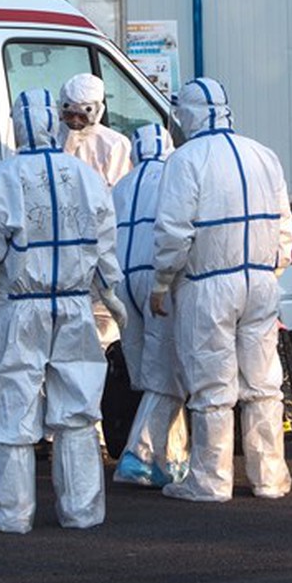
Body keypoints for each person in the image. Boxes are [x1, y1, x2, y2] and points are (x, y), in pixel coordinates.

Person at [0, 88, 126, 534]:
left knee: (13, 406)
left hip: (22, 309)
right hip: (75, 305)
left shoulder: (3, 179)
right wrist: (113, 297)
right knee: (78, 409)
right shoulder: (85, 176)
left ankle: (13, 512)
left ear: (19, 125)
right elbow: (104, 244)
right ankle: (82, 510)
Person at [150, 77, 292, 503]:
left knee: (211, 385)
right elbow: (284, 225)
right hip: (261, 282)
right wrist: (272, 270)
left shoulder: (185, 160)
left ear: (189, 113)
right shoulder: (263, 154)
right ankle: (269, 477)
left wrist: (161, 281)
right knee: (263, 383)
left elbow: (173, 231)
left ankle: (211, 480)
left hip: (208, 285)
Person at [111, 123, 189, 488]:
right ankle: (139, 455)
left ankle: (171, 457)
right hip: (158, 279)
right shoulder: (174, 178)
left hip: (122, 282)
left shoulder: (121, 186)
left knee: (150, 373)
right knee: (168, 372)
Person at [58, 73, 133, 351]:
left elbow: (117, 202)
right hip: (59, 251)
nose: (76, 122)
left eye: (83, 115)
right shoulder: (51, 139)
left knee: (101, 332)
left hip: (97, 249)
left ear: (97, 110)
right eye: (70, 114)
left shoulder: (114, 144)